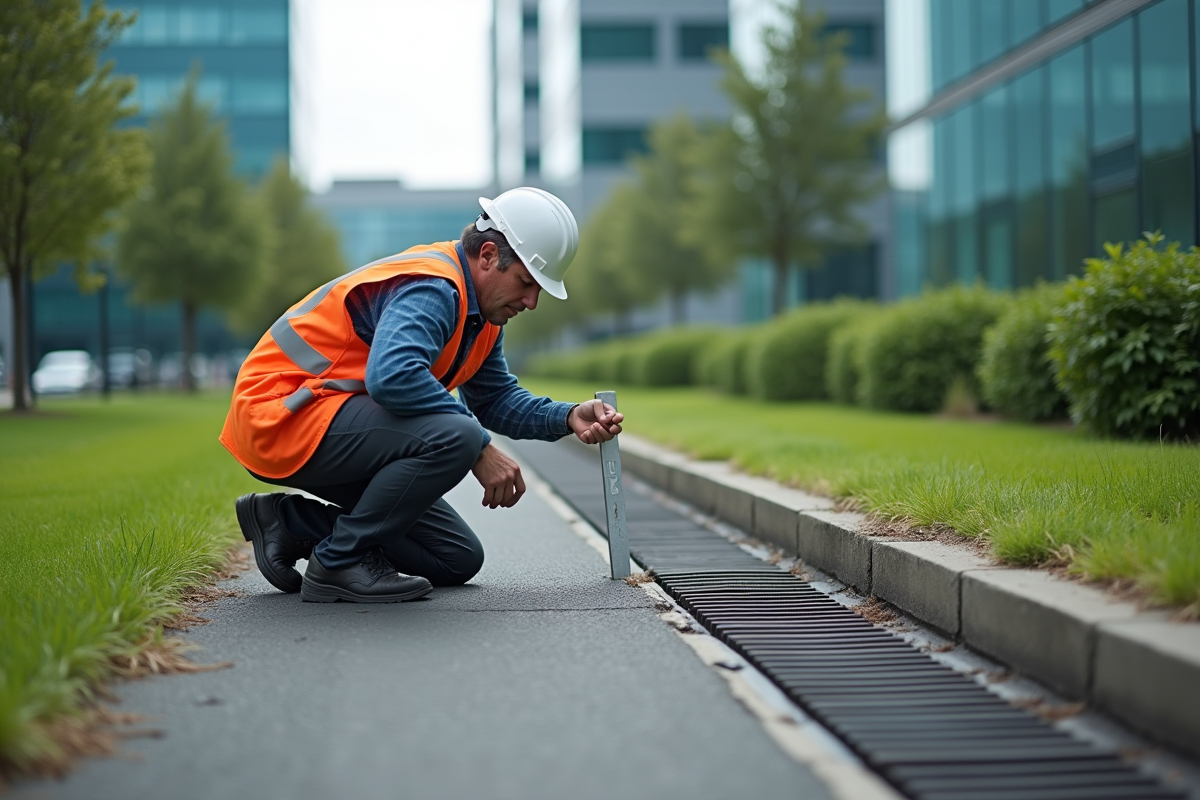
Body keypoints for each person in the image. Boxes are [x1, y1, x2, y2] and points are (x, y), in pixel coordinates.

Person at [219, 187, 623, 603]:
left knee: (455, 558)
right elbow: (393, 376)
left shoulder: (481, 315)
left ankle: (287, 521)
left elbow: (493, 400)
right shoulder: (433, 287)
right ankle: (338, 563)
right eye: (526, 281)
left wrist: (568, 416)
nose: (532, 301)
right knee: (460, 437)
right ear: (487, 255)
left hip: (324, 419)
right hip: (279, 415)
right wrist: (482, 448)